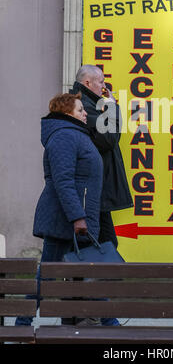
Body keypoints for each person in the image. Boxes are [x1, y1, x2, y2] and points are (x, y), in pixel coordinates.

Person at [15, 92, 103, 326]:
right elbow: (63, 181)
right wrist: (77, 217)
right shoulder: (64, 136)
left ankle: (99, 322)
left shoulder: (74, 134)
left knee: (83, 272)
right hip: (64, 220)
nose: (85, 114)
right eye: (80, 110)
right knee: (47, 276)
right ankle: (22, 324)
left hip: (75, 219)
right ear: (67, 113)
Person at [70, 65, 133, 248]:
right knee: (104, 242)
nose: (105, 87)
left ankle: (94, 275)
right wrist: (112, 108)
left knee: (103, 242)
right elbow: (109, 139)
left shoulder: (88, 103)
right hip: (93, 186)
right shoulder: (83, 106)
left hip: (96, 185)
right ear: (87, 83)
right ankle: (94, 275)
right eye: (101, 82)